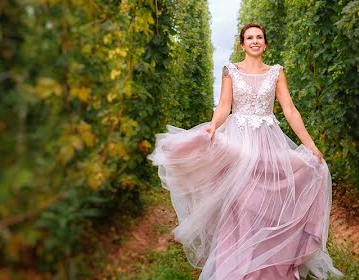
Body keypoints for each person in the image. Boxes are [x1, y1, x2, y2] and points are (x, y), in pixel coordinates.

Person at [147, 23, 343, 279]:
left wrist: (310, 145)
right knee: (241, 201)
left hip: (268, 140)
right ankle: (237, 262)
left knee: (268, 201)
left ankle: (267, 264)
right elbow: (224, 106)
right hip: (239, 141)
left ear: (265, 43)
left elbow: (290, 110)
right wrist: (214, 127)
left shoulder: (276, 72)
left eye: (259, 37)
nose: (254, 41)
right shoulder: (231, 70)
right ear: (242, 44)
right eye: (249, 37)